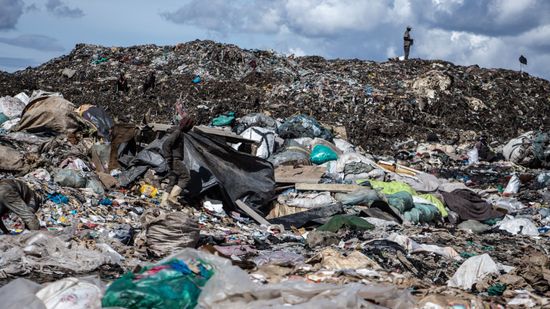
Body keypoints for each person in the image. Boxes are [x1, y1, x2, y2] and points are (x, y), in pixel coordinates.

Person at [161, 116, 195, 206]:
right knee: (186, 177)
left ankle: (163, 202)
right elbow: (166, 144)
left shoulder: (178, 132)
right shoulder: (178, 132)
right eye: (190, 126)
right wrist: (168, 158)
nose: (190, 129)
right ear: (187, 125)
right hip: (175, 160)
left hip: (172, 160)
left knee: (173, 180)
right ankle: (172, 198)